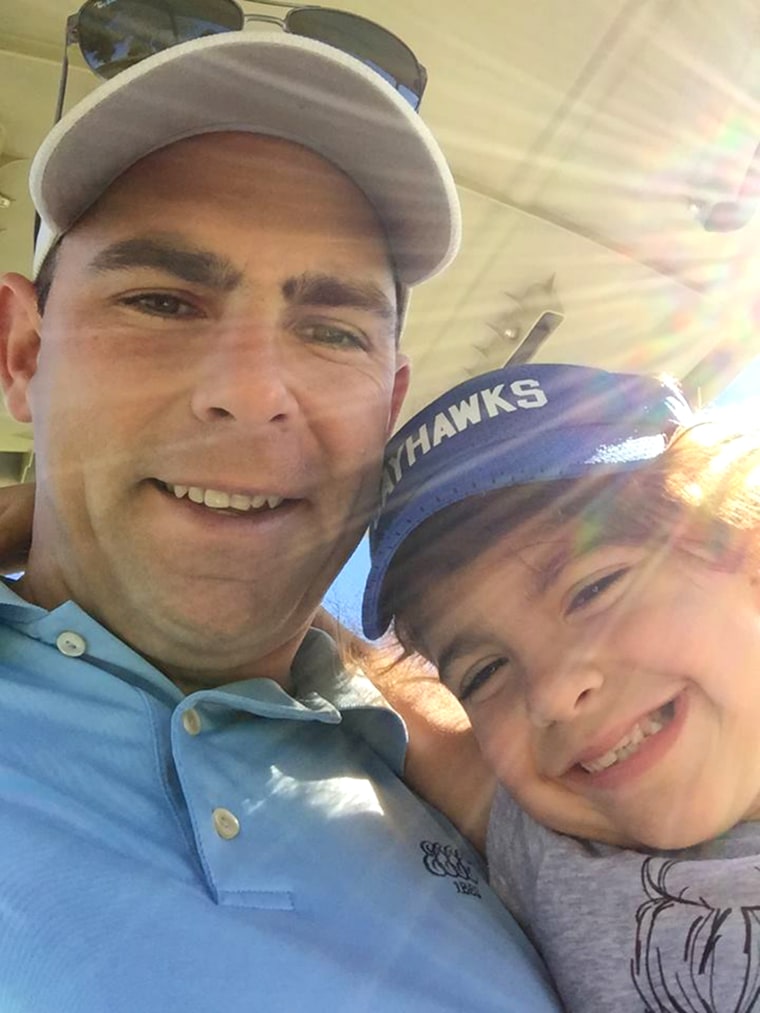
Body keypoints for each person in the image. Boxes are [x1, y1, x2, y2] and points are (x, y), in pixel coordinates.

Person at [0, 10, 561, 1012]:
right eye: (163, 301)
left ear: (387, 408)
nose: (253, 390)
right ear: (23, 354)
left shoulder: (498, 785)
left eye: (331, 330)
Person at [362, 360, 760, 1011]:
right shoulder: (549, 844)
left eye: (596, 586)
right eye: (483, 672)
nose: (549, 693)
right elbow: (396, 706)